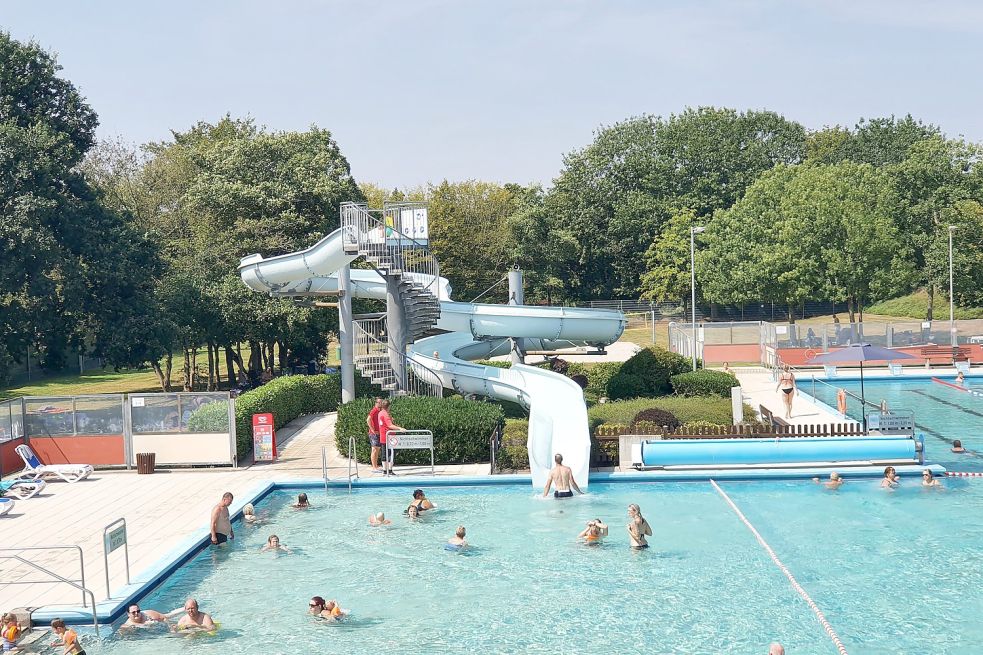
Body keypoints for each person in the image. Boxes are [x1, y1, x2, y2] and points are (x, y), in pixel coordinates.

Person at [377, 399, 404, 476]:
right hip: (389, 437)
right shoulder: (385, 414)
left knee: (384, 453)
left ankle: (385, 471)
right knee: (390, 454)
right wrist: (400, 428)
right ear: (389, 406)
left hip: (383, 436)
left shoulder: (380, 413)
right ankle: (390, 470)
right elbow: (390, 425)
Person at [366, 397, 383, 472]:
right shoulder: (374, 410)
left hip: (378, 432)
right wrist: (373, 430)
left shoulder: (380, 410)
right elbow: (368, 419)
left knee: (377, 449)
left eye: (381, 402)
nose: (380, 404)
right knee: (374, 449)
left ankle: (375, 466)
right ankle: (374, 467)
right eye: (379, 402)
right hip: (374, 433)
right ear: (376, 403)